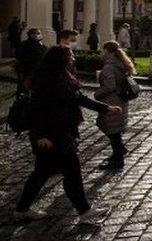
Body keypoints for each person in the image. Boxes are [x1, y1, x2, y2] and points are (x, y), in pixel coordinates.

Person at [14, 46, 122, 222]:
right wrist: (40, 135)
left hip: (63, 130)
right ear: (60, 59)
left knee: (41, 173)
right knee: (72, 171)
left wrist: (105, 108)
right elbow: (37, 110)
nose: (73, 58)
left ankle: (21, 209)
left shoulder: (64, 76)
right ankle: (84, 211)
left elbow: (80, 98)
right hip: (52, 134)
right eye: (70, 56)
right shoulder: (46, 80)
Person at [94, 41, 134, 171]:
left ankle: (118, 160)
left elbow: (109, 86)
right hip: (120, 100)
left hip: (112, 101)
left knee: (112, 131)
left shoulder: (109, 67)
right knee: (112, 129)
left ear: (107, 51)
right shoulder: (120, 62)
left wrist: (97, 94)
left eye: (103, 50)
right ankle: (119, 152)